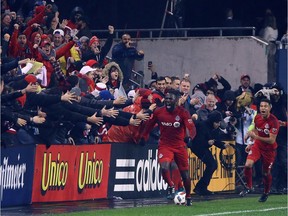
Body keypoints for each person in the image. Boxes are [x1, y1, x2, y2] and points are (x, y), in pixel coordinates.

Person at [139, 89, 196, 206]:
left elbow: (191, 127)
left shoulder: (183, 113)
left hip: (180, 146)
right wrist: (143, 136)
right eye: (167, 98)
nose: (168, 101)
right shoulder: (159, 112)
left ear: (176, 100)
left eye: (170, 98)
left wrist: (190, 138)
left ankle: (188, 196)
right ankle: (171, 186)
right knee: (164, 166)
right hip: (165, 145)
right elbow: (149, 125)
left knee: (185, 174)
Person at [239, 98, 280, 202]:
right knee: (248, 164)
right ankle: (249, 187)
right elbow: (256, 130)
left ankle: (266, 193)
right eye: (261, 106)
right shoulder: (257, 117)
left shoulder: (274, 121)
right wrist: (250, 139)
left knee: (266, 173)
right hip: (258, 145)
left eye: (265, 106)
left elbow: (271, 140)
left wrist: (256, 137)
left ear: (270, 108)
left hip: (269, 150)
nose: (263, 108)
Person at [189, 110, 229, 195]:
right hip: (197, 147)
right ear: (212, 121)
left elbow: (215, 140)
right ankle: (201, 187)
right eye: (217, 122)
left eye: (219, 123)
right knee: (212, 164)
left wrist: (223, 145)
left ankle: (201, 187)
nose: (218, 125)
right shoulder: (202, 126)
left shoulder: (214, 128)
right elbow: (197, 141)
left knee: (212, 165)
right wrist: (207, 142)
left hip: (203, 147)